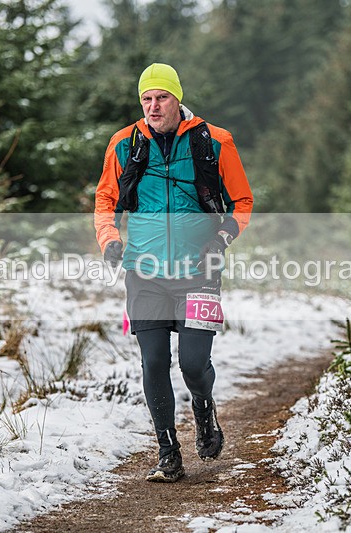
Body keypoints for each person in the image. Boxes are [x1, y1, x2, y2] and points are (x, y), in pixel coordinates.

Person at [94, 63, 253, 482]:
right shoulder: (124, 143)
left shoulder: (215, 141)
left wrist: (222, 237)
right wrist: (109, 238)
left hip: (199, 269)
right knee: (153, 362)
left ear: (177, 98)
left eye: (161, 97)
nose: (153, 106)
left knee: (194, 363)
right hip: (143, 272)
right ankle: (168, 452)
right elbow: (106, 200)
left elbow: (242, 200)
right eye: (146, 99)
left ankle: (204, 409)